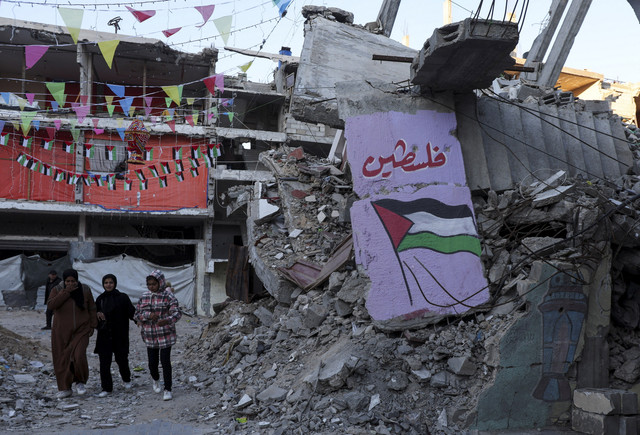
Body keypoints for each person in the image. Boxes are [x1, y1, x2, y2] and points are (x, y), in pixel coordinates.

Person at [47, 268, 97, 399]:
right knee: (62, 358)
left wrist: (93, 325)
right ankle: (65, 388)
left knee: (79, 355)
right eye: (68, 281)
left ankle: (80, 381)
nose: (70, 283)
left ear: (77, 280)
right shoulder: (57, 289)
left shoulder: (84, 289)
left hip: (82, 330)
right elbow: (51, 305)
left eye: (73, 281)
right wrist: (65, 292)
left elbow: (92, 307)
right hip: (61, 332)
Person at [134, 270, 181, 401]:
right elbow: (136, 314)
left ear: (160, 283)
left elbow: (177, 313)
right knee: (152, 363)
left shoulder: (168, 296)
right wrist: (148, 315)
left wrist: (167, 320)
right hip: (150, 335)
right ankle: (155, 379)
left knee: (165, 362)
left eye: (154, 284)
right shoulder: (144, 297)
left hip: (165, 334)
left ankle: (168, 389)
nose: (151, 287)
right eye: (149, 284)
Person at [94, 274, 136, 398]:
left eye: (110, 282)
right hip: (104, 335)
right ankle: (106, 388)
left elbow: (131, 312)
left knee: (122, 359)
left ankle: (126, 380)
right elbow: (95, 317)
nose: (108, 285)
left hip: (120, 334)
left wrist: (139, 320)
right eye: (106, 283)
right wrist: (98, 317)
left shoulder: (122, 298)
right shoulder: (100, 299)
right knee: (104, 362)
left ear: (115, 283)